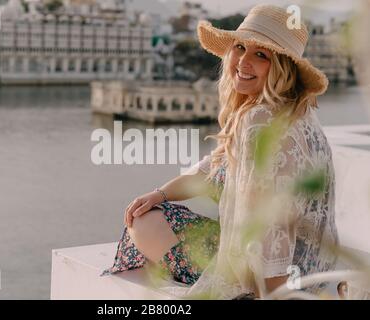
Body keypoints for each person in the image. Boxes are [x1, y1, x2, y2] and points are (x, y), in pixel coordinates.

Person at [101, 4, 339, 299]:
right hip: (314, 270)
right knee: (150, 214)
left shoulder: (260, 120)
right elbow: (215, 169)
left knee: (144, 224)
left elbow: (272, 226)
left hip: (276, 279)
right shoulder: (297, 113)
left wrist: (273, 295)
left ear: (282, 69)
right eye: (240, 47)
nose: (242, 61)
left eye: (261, 55)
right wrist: (160, 194)